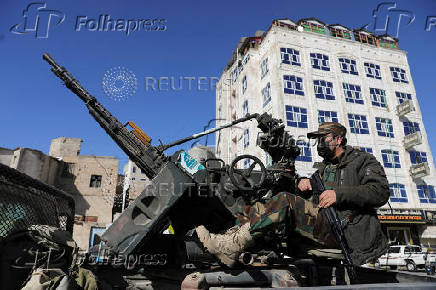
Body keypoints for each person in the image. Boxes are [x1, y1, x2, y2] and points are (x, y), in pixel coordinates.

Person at [196, 122, 390, 267]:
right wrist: (301, 186)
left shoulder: (362, 160)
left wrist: (338, 195)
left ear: (339, 139)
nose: (319, 143)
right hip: (325, 223)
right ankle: (228, 238)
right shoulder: (322, 171)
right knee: (258, 207)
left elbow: (380, 192)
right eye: (317, 140)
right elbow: (312, 201)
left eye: (324, 138)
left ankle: (229, 247)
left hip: (346, 230)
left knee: (286, 202)